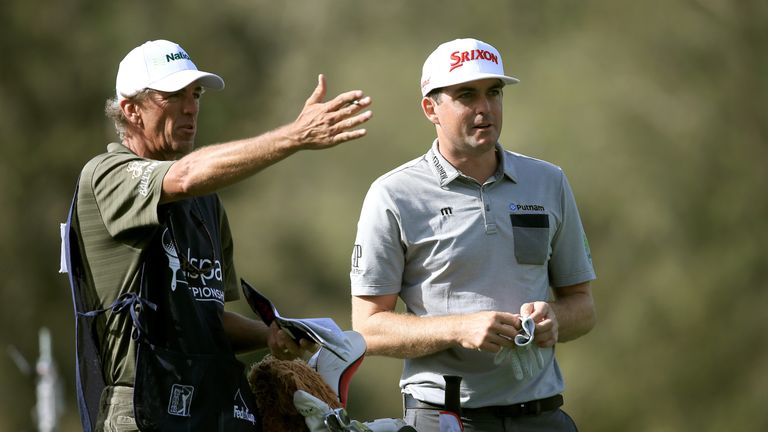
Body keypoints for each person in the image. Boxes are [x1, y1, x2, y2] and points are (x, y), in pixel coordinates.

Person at [63, 39, 372, 432]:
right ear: (131, 110)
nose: (191, 107)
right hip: (140, 407)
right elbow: (187, 175)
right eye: (172, 96)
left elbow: (205, 317)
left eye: (195, 94)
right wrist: (294, 136)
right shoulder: (106, 175)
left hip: (207, 403)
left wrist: (271, 334)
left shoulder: (206, 203)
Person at [350, 38, 596, 431]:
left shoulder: (548, 181)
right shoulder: (393, 194)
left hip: (542, 416)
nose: (484, 108)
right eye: (466, 95)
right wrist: (458, 328)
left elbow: (583, 307)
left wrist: (555, 320)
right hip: (444, 418)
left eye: (493, 93)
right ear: (431, 108)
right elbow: (368, 327)